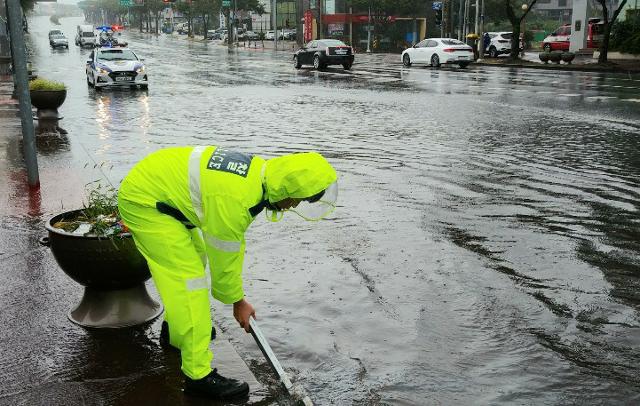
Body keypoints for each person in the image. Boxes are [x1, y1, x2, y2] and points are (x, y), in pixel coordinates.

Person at [117, 146, 338, 400]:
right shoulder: (238, 201)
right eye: (297, 199)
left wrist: (235, 299)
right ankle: (198, 375)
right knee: (190, 284)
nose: (293, 206)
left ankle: (177, 335)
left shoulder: (260, 173)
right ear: (288, 189)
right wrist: (238, 302)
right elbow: (224, 261)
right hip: (146, 203)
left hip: (160, 192)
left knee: (194, 261)